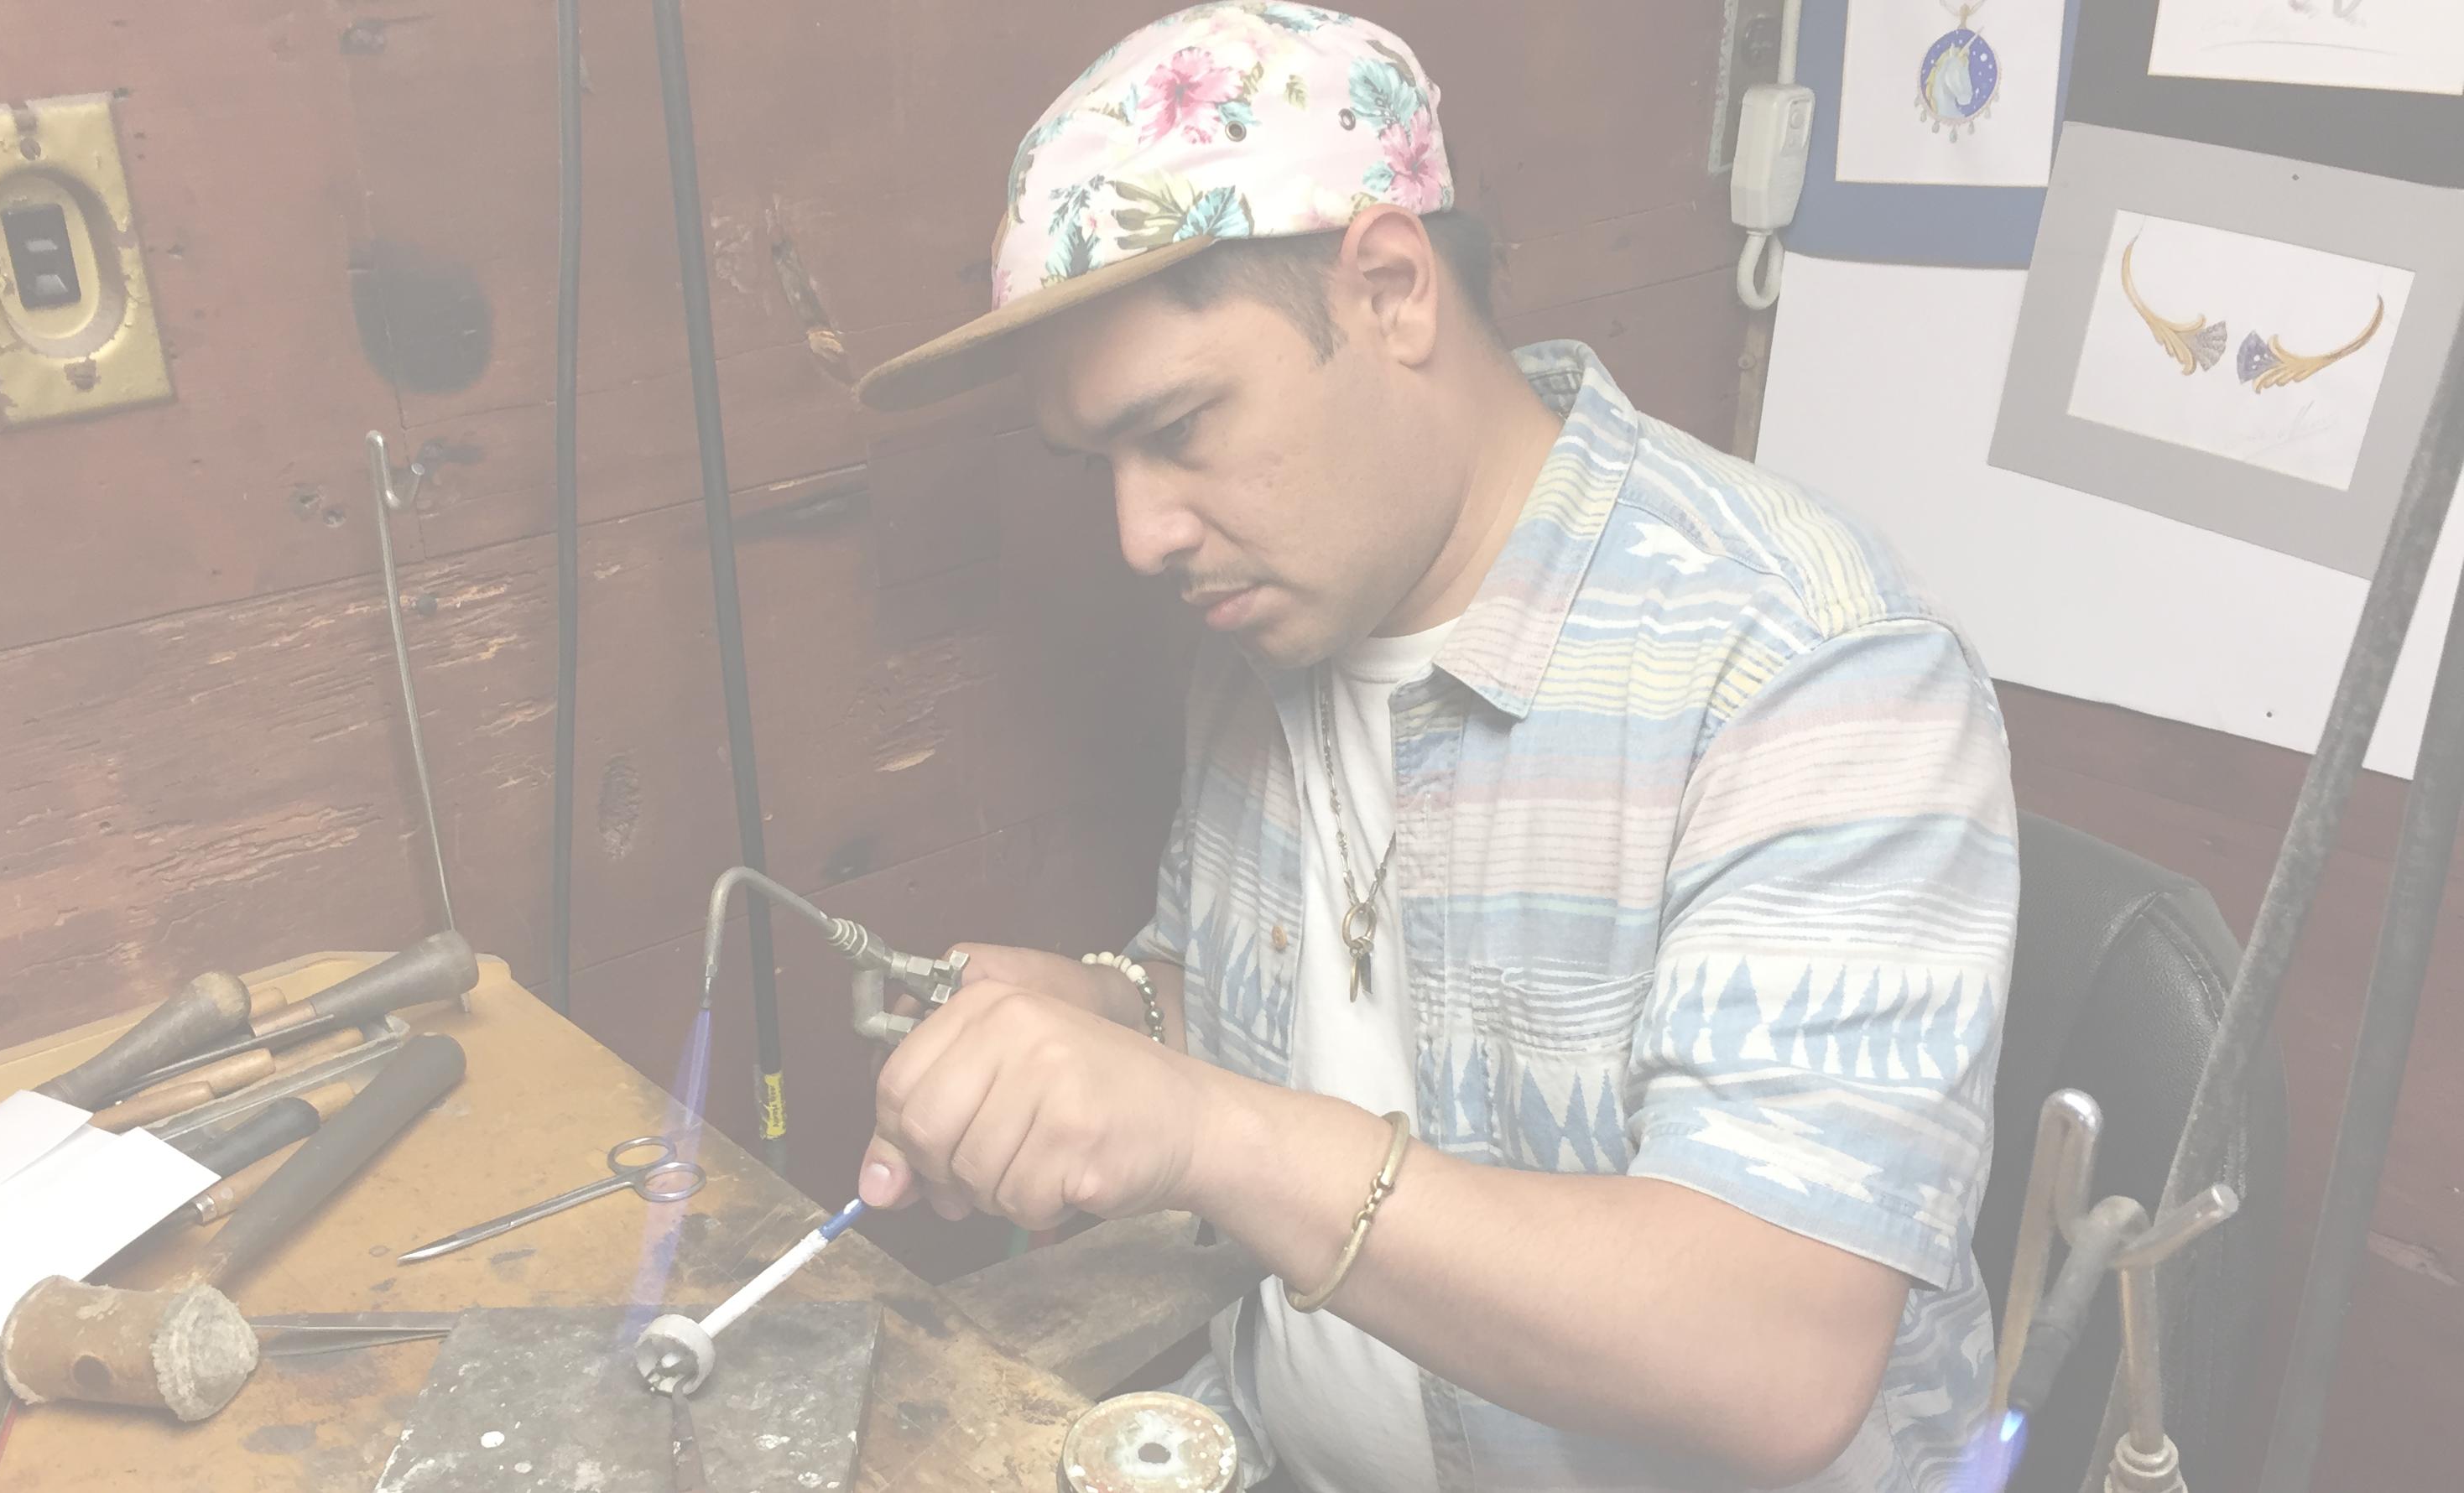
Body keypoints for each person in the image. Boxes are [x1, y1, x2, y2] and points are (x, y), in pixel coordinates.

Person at [850, 7, 2019, 1490]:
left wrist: (1203, 1131)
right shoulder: (1279, 617)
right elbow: (1275, 1013)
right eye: (1104, 468)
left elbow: (1771, 1353)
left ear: (1393, 291)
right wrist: (1107, 1015)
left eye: (1182, 428)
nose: (1142, 534)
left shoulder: (1811, 670)